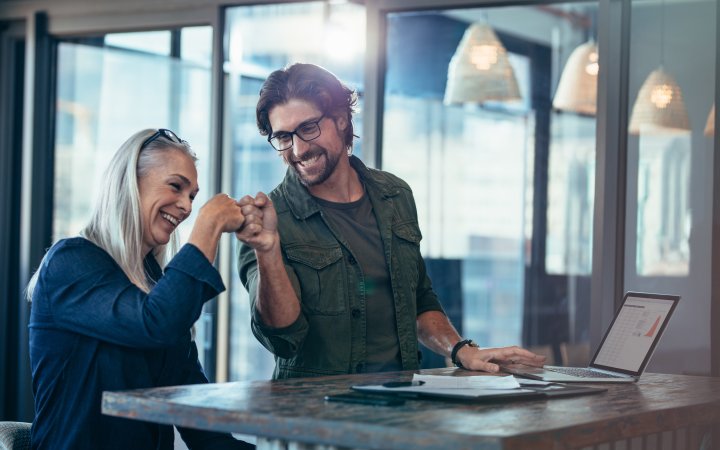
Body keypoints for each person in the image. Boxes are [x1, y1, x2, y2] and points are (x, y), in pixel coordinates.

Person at [237, 63, 545, 379]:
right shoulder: (267, 222)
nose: (298, 149)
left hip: (400, 406)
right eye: (284, 137)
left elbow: (417, 299)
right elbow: (280, 338)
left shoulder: (395, 195)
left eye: (309, 128)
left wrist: (460, 350)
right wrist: (268, 251)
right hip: (312, 416)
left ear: (341, 120)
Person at [27, 128, 254, 449]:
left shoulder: (159, 288)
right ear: (129, 183)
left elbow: (196, 414)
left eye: (192, 196)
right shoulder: (71, 262)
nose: (187, 207)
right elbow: (154, 324)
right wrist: (210, 224)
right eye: (176, 186)